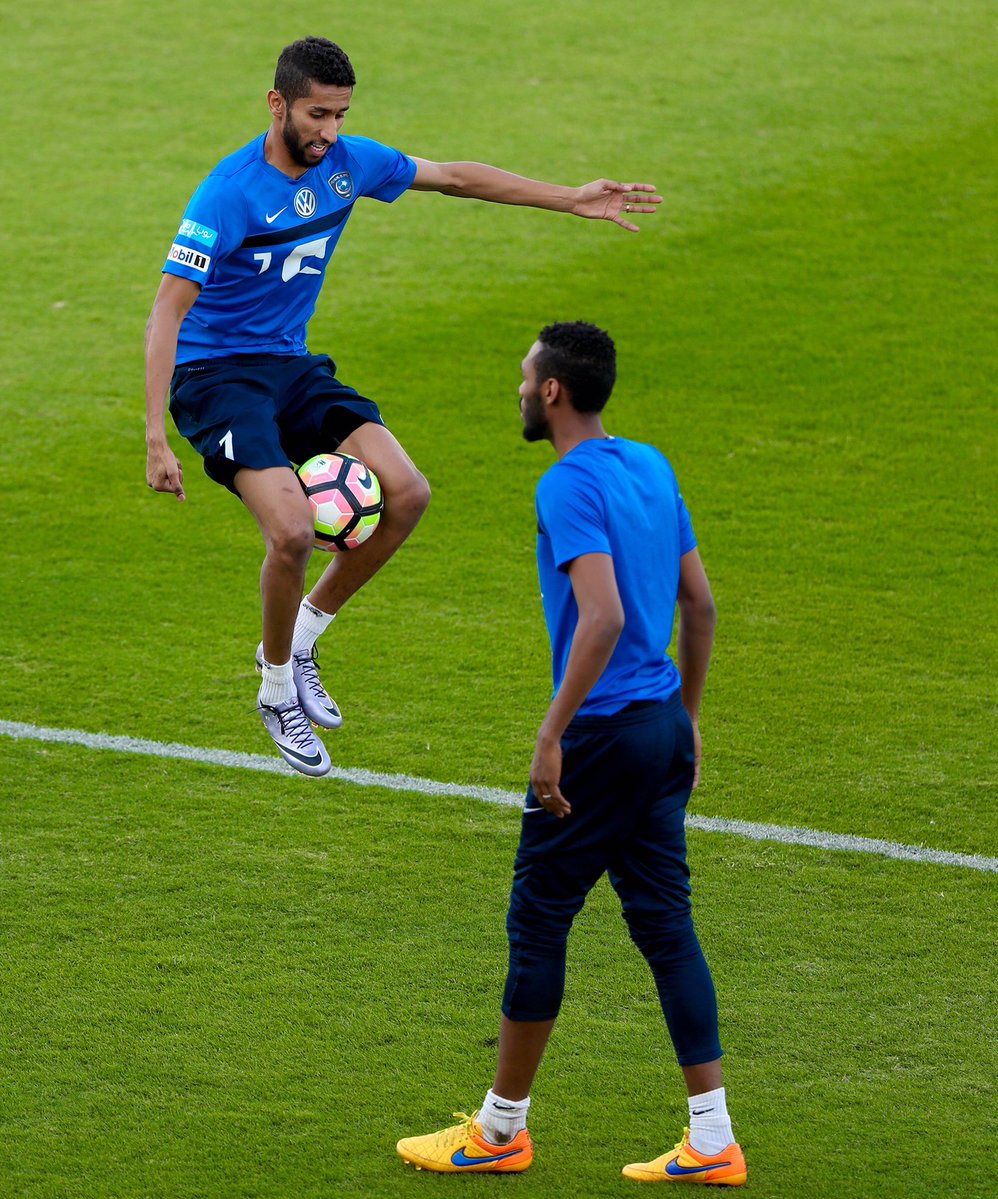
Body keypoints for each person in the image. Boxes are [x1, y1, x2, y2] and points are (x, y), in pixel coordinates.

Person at [145, 37, 662, 777]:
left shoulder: (350, 165)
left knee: (409, 492)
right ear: (277, 104)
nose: (329, 130)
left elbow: (454, 178)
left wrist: (569, 197)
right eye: (317, 114)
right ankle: (275, 685)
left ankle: (305, 635)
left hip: (290, 365)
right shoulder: (226, 194)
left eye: (341, 114)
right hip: (214, 378)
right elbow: (166, 313)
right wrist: (157, 437)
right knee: (292, 531)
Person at [396, 323, 746, 1186]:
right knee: (666, 926)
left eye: (524, 376)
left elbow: (604, 617)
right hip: (661, 724)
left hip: (603, 739)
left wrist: (552, 732)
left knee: (540, 916)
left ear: (552, 391)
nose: (518, 388)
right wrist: (688, 717)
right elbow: (699, 606)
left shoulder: (566, 485)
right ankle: (712, 1138)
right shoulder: (653, 464)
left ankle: (501, 1129)